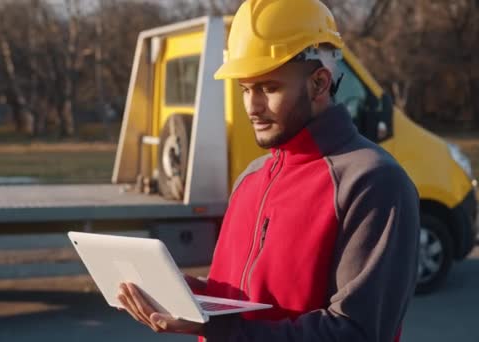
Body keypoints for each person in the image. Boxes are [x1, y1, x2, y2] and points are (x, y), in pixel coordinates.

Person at [117, 0, 420, 341]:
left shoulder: (373, 181)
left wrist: (214, 327)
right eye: (246, 88)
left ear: (319, 83)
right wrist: (173, 293)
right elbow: (235, 301)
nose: (252, 106)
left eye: (268, 87)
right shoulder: (251, 178)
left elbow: (356, 332)